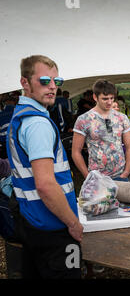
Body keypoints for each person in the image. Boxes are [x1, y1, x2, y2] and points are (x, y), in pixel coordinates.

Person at [6, 55, 82, 278]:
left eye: (56, 82)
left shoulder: (21, 116)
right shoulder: (38, 123)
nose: (52, 87)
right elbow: (46, 185)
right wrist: (73, 223)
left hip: (32, 221)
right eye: (44, 81)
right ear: (25, 83)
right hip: (54, 227)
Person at [72, 80, 130, 181]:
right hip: (97, 178)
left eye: (112, 98)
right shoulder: (84, 119)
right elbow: (75, 151)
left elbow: (129, 147)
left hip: (120, 175)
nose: (109, 102)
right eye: (105, 99)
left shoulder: (122, 118)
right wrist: (87, 176)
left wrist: (126, 171)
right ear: (95, 97)